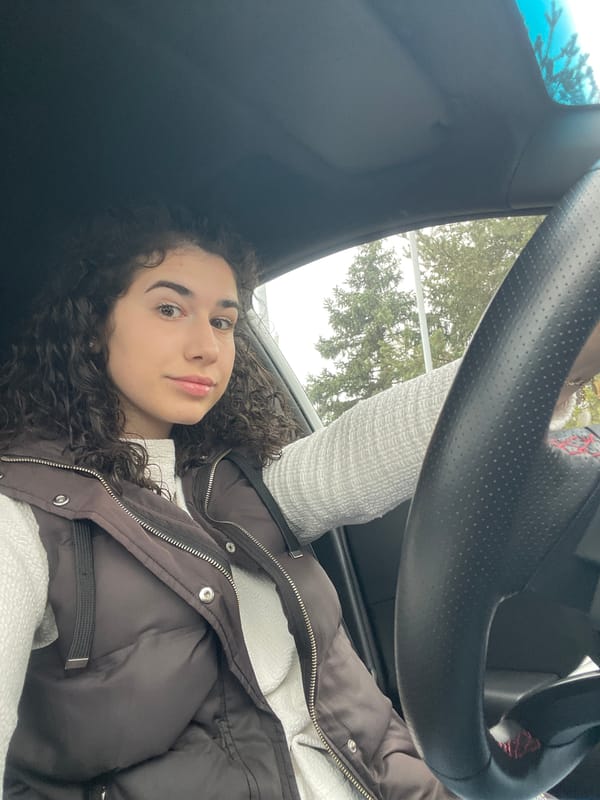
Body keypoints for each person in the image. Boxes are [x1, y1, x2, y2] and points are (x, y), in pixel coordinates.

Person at [0, 206, 592, 800]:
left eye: (225, 321)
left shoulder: (241, 484)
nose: (207, 346)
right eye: (169, 308)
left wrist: (562, 361)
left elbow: (381, 438)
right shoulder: (20, 516)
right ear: (91, 325)